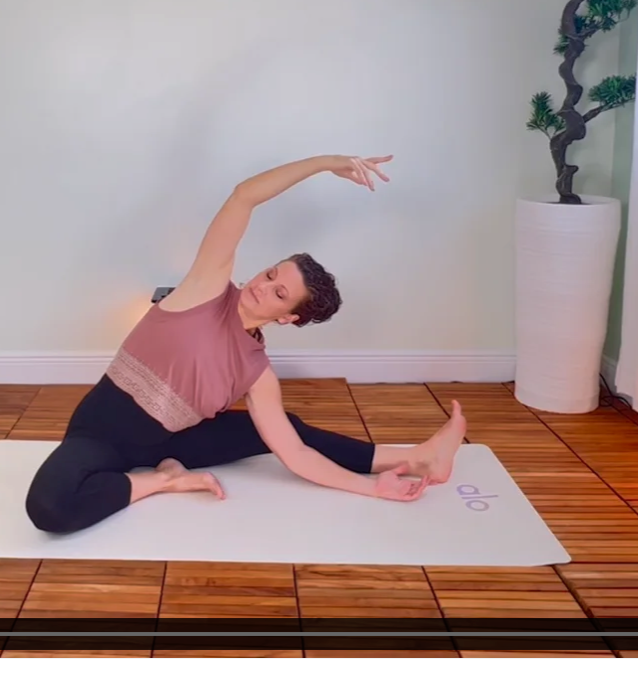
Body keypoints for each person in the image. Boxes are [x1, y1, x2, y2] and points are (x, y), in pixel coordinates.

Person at [24, 153, 468, 534]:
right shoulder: (206, 289)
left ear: (288, 317)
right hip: (100, 435)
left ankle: (415, 459)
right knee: (48, 507)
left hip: (170, 443)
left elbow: (295, 456)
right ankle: (164, 482)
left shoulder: (258, 371)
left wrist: (373, 489)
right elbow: (244, 196)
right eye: (271, 273)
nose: (262, 285)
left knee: (284, 427)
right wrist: (326, 163)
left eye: (279, 293)